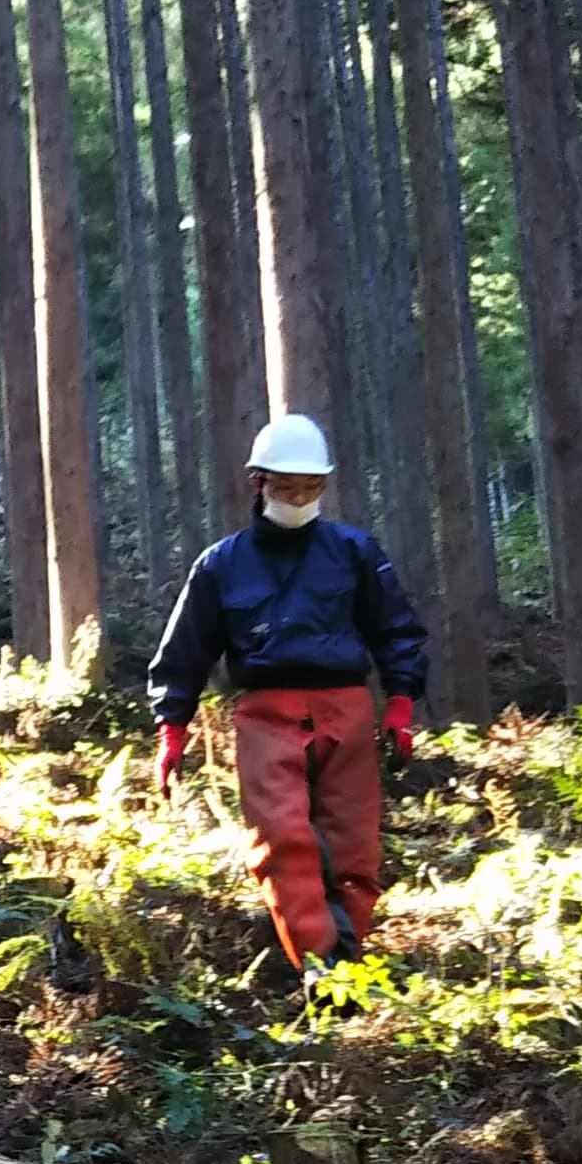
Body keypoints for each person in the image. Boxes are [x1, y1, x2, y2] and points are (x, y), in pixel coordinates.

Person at [144, 412, 429, 974]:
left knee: (354, 847)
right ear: (259, 482)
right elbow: (185, 651)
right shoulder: (222, 565)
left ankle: (347, 966)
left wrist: (400, 703)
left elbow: (397, 630)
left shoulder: (355, 552)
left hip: (345, 711)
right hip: (265, 715)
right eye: (287, 487)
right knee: (281, 841)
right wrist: (171, 729)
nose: (299, 498)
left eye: (310, 488)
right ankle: (321, 970)